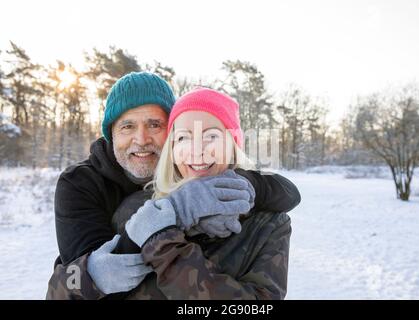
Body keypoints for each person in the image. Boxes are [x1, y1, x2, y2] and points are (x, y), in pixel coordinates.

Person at [46, 73, 300, 300]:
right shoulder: (89, 188)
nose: (142, 139)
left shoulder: (268, 223)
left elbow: (287, 194)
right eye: (127, 126)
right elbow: (69, 284)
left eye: (154, 125)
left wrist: (243, 187)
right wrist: (90, 275)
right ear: (110, 134)